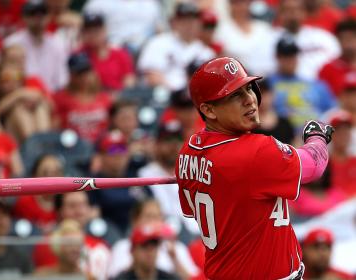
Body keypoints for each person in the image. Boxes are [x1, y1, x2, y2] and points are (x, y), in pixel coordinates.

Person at [175, 57, 334, 279]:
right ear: (209, 110)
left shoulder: (187, 151)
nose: (250, 100)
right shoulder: (256, 151)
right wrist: (317, 136)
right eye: (235, 96)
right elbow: (314, 166)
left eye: (249, 88)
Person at [113, 222, 181, 280]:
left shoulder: (169, 278)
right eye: (144, 246)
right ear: (133, 251)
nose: (150, 252)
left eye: (154, 245)